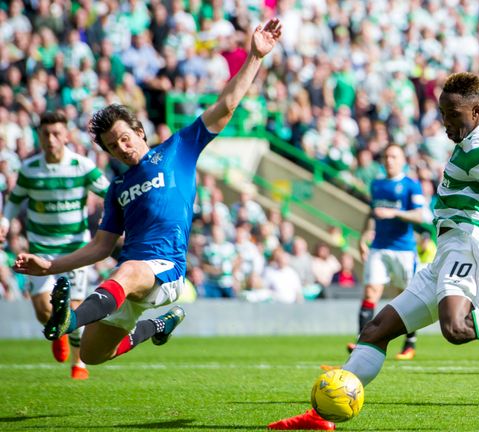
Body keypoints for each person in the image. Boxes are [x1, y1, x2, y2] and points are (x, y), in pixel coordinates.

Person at [268, 72, 479, 431]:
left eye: (453, 115)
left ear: (477, 111)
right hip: (447, 250)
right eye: (443, 113)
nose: (446, 123)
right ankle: (322, 416)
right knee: (375, 331)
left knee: (456, 327)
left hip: (470, 243)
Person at [13, 19, 282, 366]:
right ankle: (155, 326)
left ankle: (70, 320)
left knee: (127, 274)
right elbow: (100, 247)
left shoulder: (178, 149)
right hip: (131, 281)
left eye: (125, 138)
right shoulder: (117, 189)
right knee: (95, 354)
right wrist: (49, 266)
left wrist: (255, 58)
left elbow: (226, 106)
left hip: (165, 269)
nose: (122, 148)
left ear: (140, 131)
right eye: (113, 146)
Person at [0, 111, 110, 379]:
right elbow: (15, 200)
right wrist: (4, 219)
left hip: (76, 249)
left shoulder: (82, 166)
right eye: (46, 134)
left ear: (66, 136)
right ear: (39, 136)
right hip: (41, 248)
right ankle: (57, 331)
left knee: (74, 308)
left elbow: (110, 192)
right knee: (42, 308)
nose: (51, 139)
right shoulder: (29, 169)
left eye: (56, 133)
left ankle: (78, 364)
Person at [348, 144, 425, 360]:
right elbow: (372, 214)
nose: (389, 160)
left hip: (404, 249)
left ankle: (410, 342)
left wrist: (394, 213)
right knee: (371, 292)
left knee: (407, 296)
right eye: (386, 156)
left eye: (393, 156)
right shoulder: (377, 184)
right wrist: (363, 237)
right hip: (379, 247)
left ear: (402, 160)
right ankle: (361, 341)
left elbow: (419, 216)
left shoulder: (411, 185)